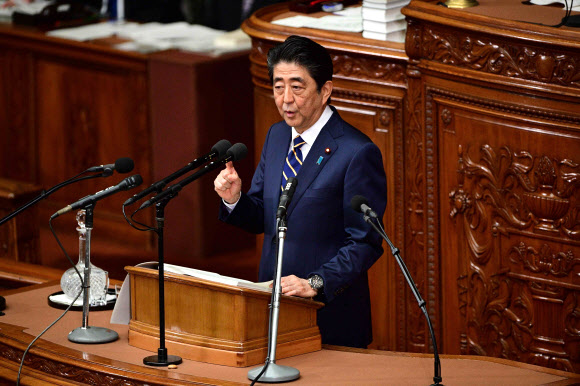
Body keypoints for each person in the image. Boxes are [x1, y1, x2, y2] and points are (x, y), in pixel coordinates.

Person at [213, 35, 387, 348]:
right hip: (272, 308)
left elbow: (365, 242)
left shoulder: (357, 152)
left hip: (328, 314)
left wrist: (316, 282)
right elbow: (265, 218)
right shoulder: (278, 135)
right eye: (279, 86)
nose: (286, 99)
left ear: (326, 90)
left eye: (297, 86)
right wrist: (235, 199)